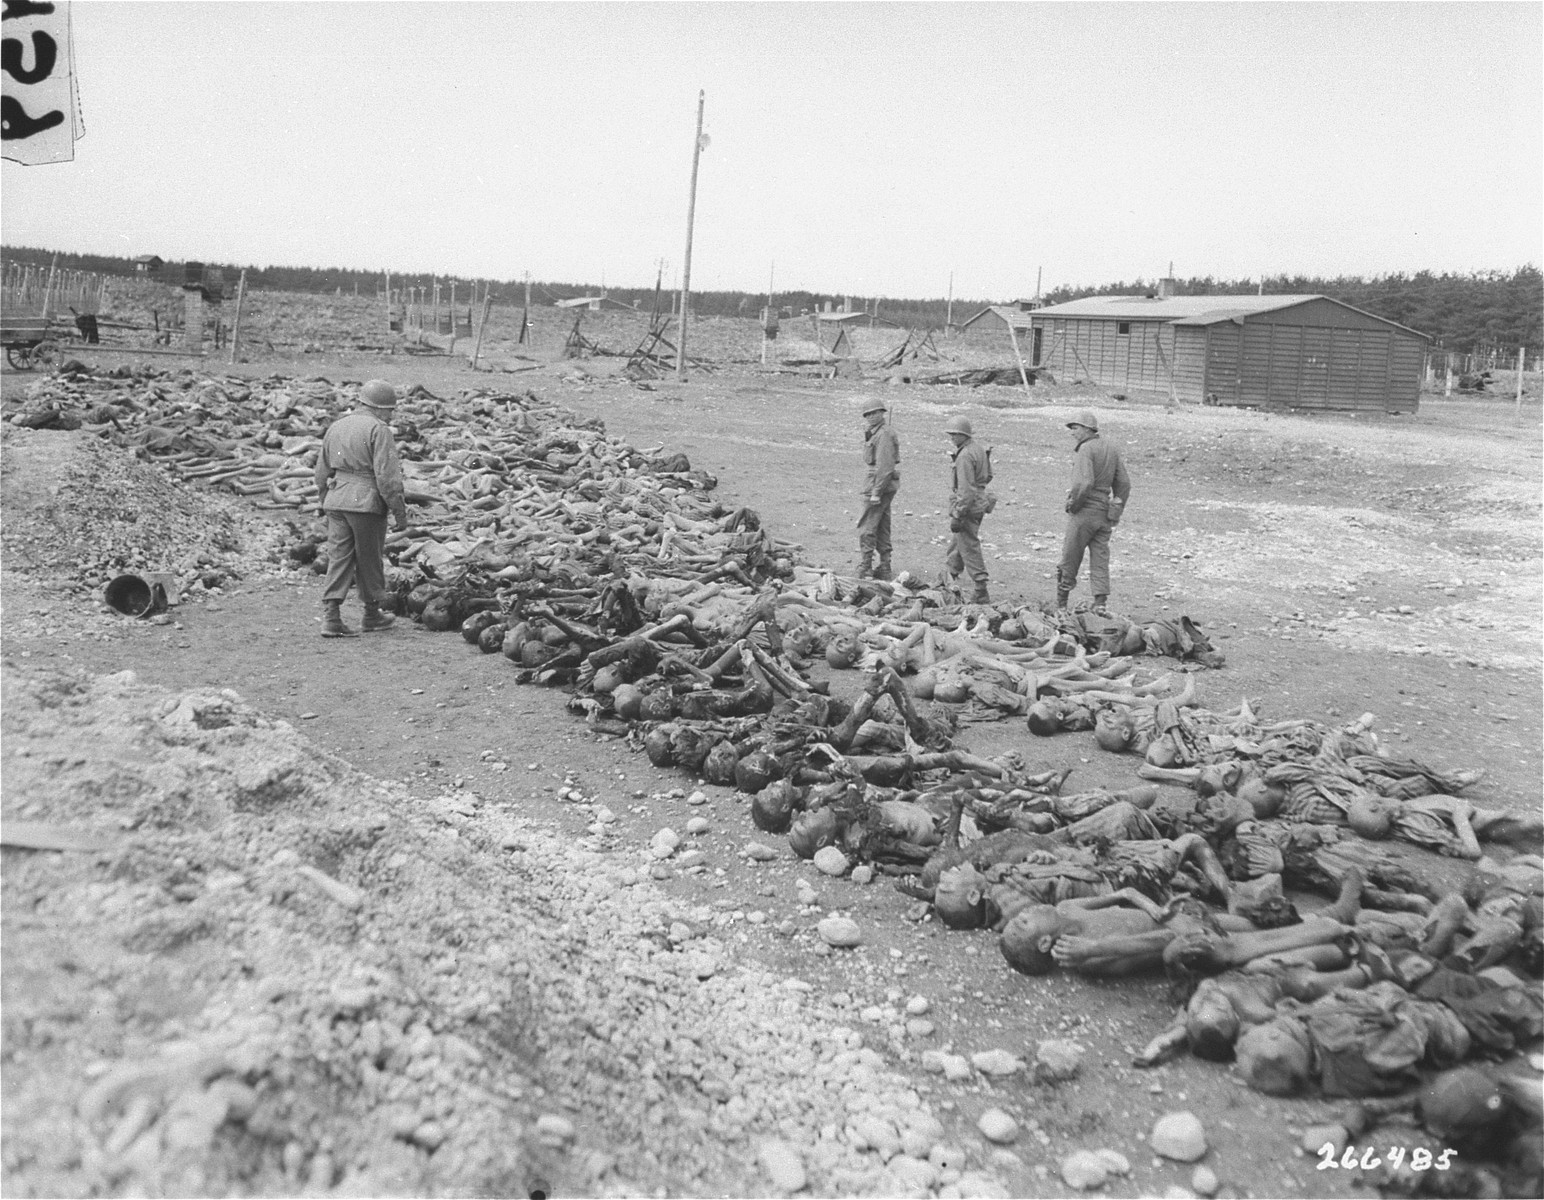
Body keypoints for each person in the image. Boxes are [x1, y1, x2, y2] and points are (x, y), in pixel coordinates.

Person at [313, 380, 409, 637]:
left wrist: (325, 500)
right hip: (366, 502)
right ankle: (371, 615)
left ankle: (331, 618)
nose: (391, 415)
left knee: (339, 557)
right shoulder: (379, 429)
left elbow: (321, 471)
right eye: (390, 409)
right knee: (369, 559)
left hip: (337, 499)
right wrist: (399, 512)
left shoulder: (337, 426)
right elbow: (387, 478)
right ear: (379, 408)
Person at [1057, 410, 1130, 613]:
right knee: (1100, 559)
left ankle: (1061, 604)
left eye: (1075, 428)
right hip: (1104, 513)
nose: (1072, 433)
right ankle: (1100, 604)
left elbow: (1084, 482)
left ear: (1088, 429)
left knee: (1070, 556)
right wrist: (1117, 509)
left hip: (1085, 512)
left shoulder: (1086, 450)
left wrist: (1075, 505)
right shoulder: (1111, 448)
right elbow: (1124, 483)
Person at [943, 414, 994, 604]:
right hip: (979, 502)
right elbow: (988, 476)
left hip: (969, 506)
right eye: (951, 434)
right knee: (959, 543)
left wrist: (958, 513)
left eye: (956, 434)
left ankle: (981, 589)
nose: (952, 438)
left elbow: (965, 490)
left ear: (964, 435)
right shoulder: (978, 449)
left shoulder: (964, 456)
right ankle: (949, 578)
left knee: (968, 546)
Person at [857, 400, 900, 580]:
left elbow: (885, 466)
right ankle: (885, 566)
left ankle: (866, 566)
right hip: (882, 484)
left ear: (882, 413)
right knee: (882, 524)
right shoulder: (879, 432)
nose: (871, 416)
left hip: (878, 484)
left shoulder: (884, 434)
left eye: (875, 413)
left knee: (867, 525)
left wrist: (876, 492)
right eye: (868, 414)